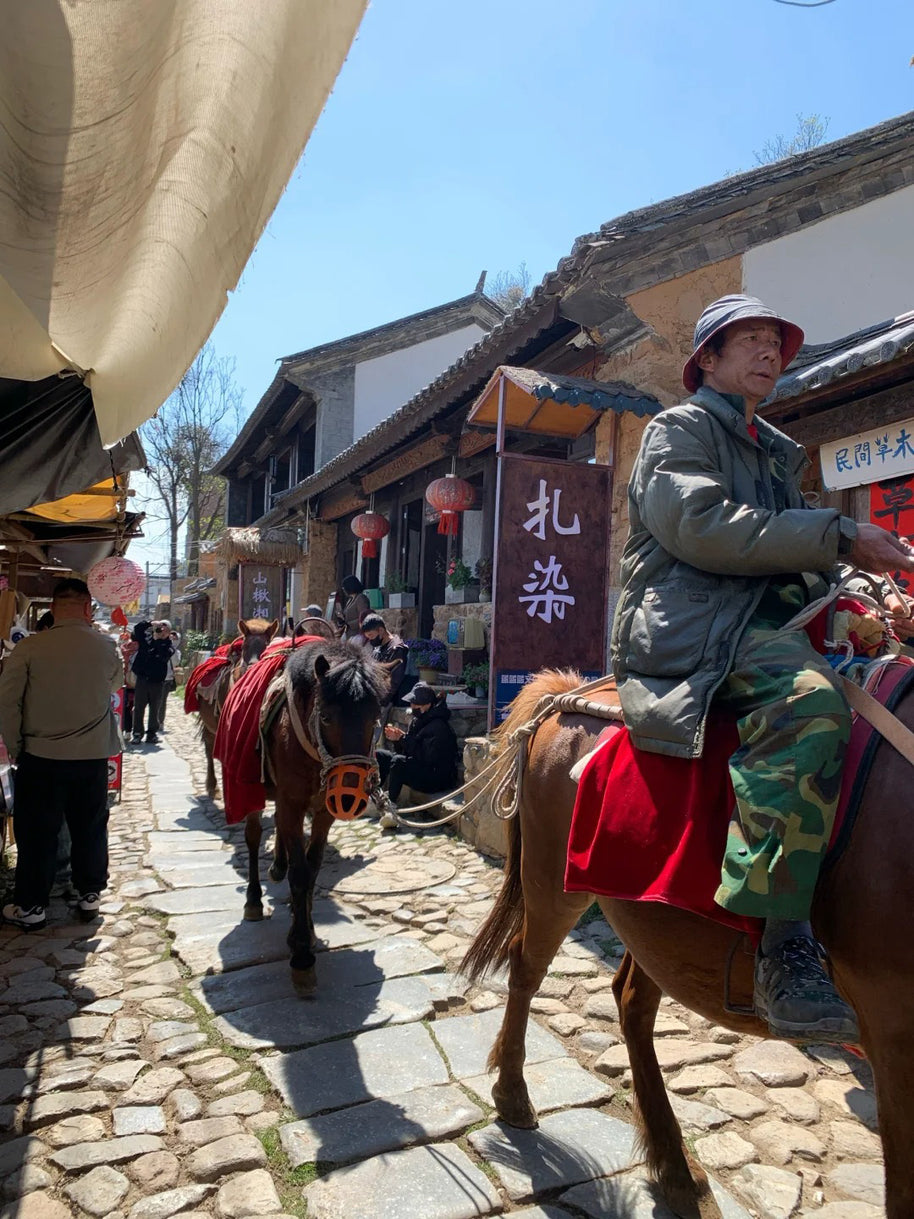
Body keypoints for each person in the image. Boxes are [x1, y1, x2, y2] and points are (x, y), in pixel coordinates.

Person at [611, 293, 914, 1043]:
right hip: (698, 625)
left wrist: (857, 601)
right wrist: (842, 536)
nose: (768, 352)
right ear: (705, 361)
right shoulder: (676, 430)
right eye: (747, 340)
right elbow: (704, 528)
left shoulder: (773, 449)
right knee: (811, 704)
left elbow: (789, 558)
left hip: (764, 622)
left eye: (775, 342)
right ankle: (783, 944)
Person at [0, 577, 122, 929]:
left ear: (52, 609)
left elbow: (8, 703)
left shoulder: (29, 649)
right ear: (88, 608)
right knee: (91, 827)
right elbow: (113, 686)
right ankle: (89, 895)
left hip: (41, 755)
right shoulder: (106, 647)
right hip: (92, 756)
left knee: (38, 832)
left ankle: (32, 906)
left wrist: (16, 745)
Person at [376, 682, 458, 805]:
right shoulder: (417, 721)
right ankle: (376, 795)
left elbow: (427, 758)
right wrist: (398, 740)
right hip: (421, 767)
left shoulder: (439, 726)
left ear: (428, 705)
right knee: (380, 755)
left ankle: (390, 803)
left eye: (416, 704)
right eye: (412, 703)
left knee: (398, 762)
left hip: (436, 778)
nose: (413, 706)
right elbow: (406, 752)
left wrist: (403, 738)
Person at [130, 620, 174, 744]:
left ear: (169, 632)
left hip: (157, 681)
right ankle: (137, 733)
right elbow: (138, 629)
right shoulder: (147, 640)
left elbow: (164, 655)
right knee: (139, 707)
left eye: (165, 629)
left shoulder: (168, 645)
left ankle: (152, 733)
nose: (161, 630)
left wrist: (161, 639)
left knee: (155, 708)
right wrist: (150, 623)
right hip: (142, 678)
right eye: (160, 628)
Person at [361, 613, 410, 709]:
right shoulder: (378, 647)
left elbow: (393, 682)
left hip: (386, 702)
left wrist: (378, 703)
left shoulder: (397, 649)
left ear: (381, 630)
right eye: (368, 637)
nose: (370, 639)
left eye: (371, 635)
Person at [334, 575, 370, 642]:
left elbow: (363, 616)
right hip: (349, 634)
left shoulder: (361, 598)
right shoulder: (350, 600)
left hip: (357, 635)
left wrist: (349, 623)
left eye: (344, 588)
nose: (343, 590)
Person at [158, 630, 181, 730]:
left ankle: (160, 721)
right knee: (154, 701)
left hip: (167, 678)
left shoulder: (176, 652)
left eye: (175, 638)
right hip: (157, 677)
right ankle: (153, 721)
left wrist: (173, 649)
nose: (173, 639)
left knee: (162, 701)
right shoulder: (161, 647)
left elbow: (175, 663)